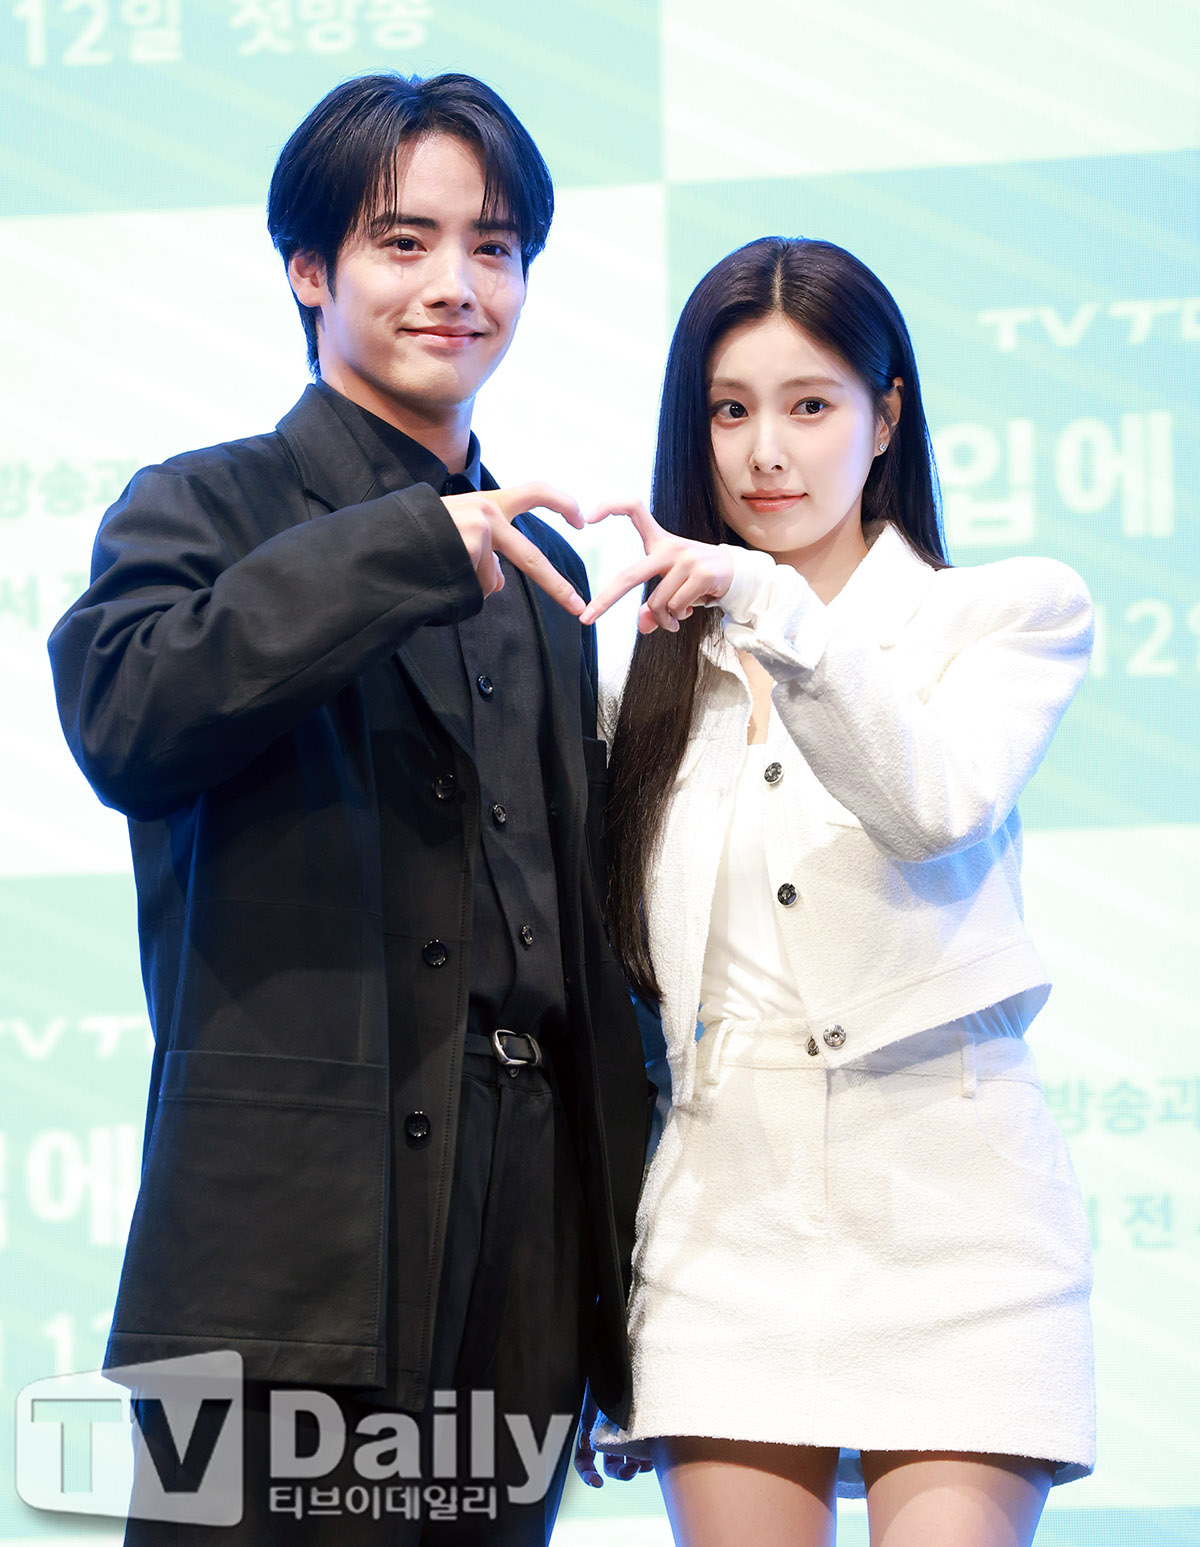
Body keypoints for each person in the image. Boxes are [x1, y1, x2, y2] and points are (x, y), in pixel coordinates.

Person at [47, 71, 649, 1546]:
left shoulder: (553, 586)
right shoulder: (204, 506)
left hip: (526, 1225)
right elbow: (129, 721)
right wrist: (411, 544)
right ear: (310, 270)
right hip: (289, 1239)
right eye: (404, 242)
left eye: (495, 248)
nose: (457, 286)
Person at [573, 237, 1095, 1547]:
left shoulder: (1009, 614)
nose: (766, 453)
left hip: (955, 1215)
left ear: (887, 415)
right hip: (722, 1222)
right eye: (729, 411)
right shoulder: (636, 673)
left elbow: (933, 803)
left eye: (809, 405)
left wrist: (771, 608)